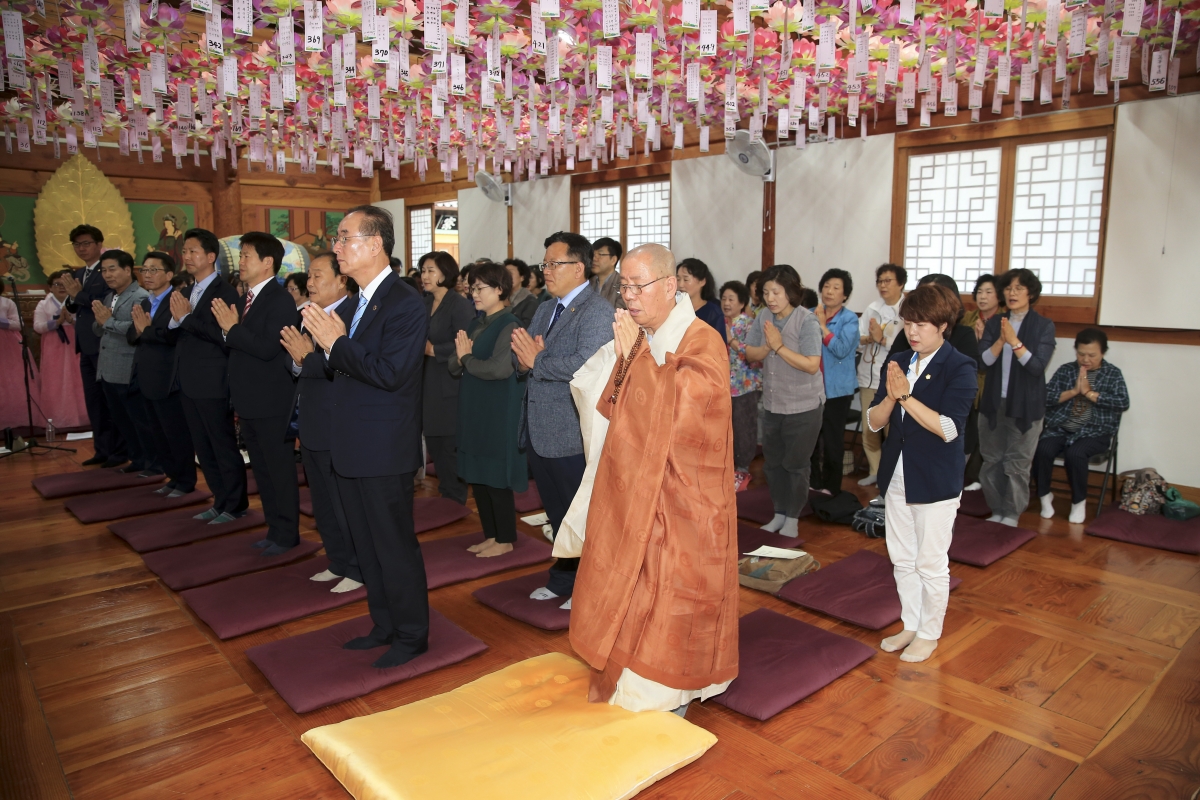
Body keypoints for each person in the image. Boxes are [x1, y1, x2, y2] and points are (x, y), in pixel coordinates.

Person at [570, 243, 738, 715]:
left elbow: (690, 409)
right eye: (623, 286)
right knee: (633, 586)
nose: (628, 296)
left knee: (671, 593)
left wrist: (635, 360)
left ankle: (667, 693)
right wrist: (630, 358)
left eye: (638, 286)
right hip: (638, 492)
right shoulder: (642, 334)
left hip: (685, 498)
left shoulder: (701, 339)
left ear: (669, 286)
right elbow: (612, 405)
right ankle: (629, 677)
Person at [301, 205, 430, 669]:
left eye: (344, 237)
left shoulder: (405, 302)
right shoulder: (355, 302)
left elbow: (391, 373)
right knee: (365, 544)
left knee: (393, 546)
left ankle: (412, 635)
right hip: (350, 443)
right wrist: (325, 351)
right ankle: (384, 624)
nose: (336, 246)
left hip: (383, 448)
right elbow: (342, 369)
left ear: (375, 244)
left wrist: (335, 344)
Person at [867, 283, 978, 664]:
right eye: (908, 323)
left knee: (930, 561)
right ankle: (910, 624)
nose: (912, 332)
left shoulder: (960, 365)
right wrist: (890, 397)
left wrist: (905, 397)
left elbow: (949, 428)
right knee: (902, 557)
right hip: (897, 473)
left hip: (935, 478)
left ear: (943, 325)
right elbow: (874, 421)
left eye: (922, 325)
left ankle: (929, 633)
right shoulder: (899, 359)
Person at [512, 231, 614, 605]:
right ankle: (564, 577)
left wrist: (537, 361)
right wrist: (527, 361)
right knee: (557, 513)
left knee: (581, 514)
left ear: (579, 268)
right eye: (545, 264)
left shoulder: (597, 311)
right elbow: (522, 356)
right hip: (541, 427)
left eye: (555, 264)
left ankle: (591, 587)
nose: (547, 271)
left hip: (572, 431)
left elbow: (588, 365)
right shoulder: (545, 308)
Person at [212, 232, 301, 553]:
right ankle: (274, 530)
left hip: (272, 402)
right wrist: (230, 332)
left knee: (279, 471)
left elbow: (266, 349)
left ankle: (287, 535)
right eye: (241, 255)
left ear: (267, 262)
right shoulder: (243, 299)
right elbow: (233, 344)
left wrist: (232, 330)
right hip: (248, 400)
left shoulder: (280, 300)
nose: (240, 261)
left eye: (246, 255)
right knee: (261, 471)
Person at [281, 252, 363, 592]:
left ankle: (357, 568)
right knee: (322, 501)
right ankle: (337, 560)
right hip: (311, 420)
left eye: (317, 275)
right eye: (309, 276)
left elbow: (342, 368)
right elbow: (296, 364)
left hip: (339, 421)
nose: (309, 283)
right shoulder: (309, 314)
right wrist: (299, 362)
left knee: (345, 502)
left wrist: (306, 360)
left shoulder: (354, 315)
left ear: (342, 280)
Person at [169, 228, 250, 525]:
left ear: (211, 256)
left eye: (193, 251)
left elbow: (221, 336)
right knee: (202, 448)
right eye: (185, 251)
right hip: (188, 379)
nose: (187, 256)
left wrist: (186, 319)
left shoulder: (224, 292)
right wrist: (177, 321)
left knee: (221, 445)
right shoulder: (187, 291)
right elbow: (177, 332)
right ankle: (219, 500)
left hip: (212, 380)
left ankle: (236, 505)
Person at [450, 262, 528, 558]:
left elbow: (498, 369)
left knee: (495, 476)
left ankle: (505, 538)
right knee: (478, 474)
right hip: (474, 408)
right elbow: (453, 363)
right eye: (471, 288)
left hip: (497, 410)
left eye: (480, 288)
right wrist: (463, 358)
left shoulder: (510, 324)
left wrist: (466, 359)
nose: (474, 294)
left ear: (499, 289)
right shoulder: (476, 323)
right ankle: (491, 535)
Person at [743, 265, 824, 539]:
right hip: (773, 403)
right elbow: (750, 353)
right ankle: (778, 513)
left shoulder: (807, 321)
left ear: (790, 291)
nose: (770, 298)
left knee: (796, 465)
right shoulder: (763, 316)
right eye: (766, 292)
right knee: (773, 464)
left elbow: (811, 365)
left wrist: (778, 347)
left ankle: (793, 518)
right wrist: (768, 346)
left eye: (776, 292)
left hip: (804, 406)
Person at [979, 268, 1056, 527]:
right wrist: (1001, 341)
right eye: (1008, 288)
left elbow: (1036, 367)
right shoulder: (995, 323)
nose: (1012, 293)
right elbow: (982, 362)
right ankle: (996, 508)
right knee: (992, 460)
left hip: (1026, 405)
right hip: (993, 403)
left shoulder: (1044, 326)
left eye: (1019, 288)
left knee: (1017, 463)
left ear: (1030, 293)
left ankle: (1012, 513)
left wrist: (1015, 342)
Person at [1036, 328, 1129, 524]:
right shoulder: (1066, 370)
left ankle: (1079, 502)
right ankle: (1044, 495)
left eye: (1092, 355)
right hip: (1061, 427)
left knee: (1076, 453)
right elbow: (1044, 398)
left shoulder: (1112, 374)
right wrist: (1074, 391)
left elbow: (1122, 402)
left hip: (1096, 432)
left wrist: (1089, 393)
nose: (1086, 359)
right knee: (1042, 448)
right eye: (1081, 354)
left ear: (1103, 352)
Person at [127, 253, 197, 498]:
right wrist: (143, 331)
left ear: (168, 275)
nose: (147, 275)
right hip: (146, 376)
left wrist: (146, 331)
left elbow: (172, 336)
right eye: (144, 270)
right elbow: (131, 335)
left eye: (153, 270)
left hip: (169, 379)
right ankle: (172, 477)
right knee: (157, 434)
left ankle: (186, 481)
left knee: (176, 434)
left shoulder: (176, 300)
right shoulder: (146, 302)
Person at [61, 224, 124, 466]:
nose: (81, 248)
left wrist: (78, 295)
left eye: (86, 243)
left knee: (110, 401)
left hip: (105, 343)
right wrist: (71, 298)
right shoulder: (78, 273)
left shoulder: (108, 270)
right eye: (77, 244)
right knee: (94, 401)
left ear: (99, 244)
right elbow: (75, 305)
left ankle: (119, 452)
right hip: (86, 345)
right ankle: (102, 450)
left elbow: (106, 302)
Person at [91, 250, 154, 475]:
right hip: (108, 369)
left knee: (139, 420)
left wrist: (108, 321)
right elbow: (99, 329)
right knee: (122, 420)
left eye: (112, 269)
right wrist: (101, 322)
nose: (107, 275)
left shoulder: (140, 296)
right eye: (103, 270)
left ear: (128, 270)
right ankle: (137, 460)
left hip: (127, 369)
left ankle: (152, 463)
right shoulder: (110, 296)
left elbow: (136, 329)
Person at [419, 250, 473, 505]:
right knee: (433, 440)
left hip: (450, 380)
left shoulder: (458, 304)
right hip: (426, 380)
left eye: (431, 270)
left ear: (446, 273)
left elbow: (467, 343)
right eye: (423, 271)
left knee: (448, 443)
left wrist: (433, 350)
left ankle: (456, 495)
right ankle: (446, 492)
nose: (425, 276)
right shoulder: (424, 303)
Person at [856, 263, 907, 487]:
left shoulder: (907, 310)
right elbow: (858, 339)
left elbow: (905, 346)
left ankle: (891, 475)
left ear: (901, 284)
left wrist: (881, 339)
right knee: (869, 428)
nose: (883, 285)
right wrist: (870, 338)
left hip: (894, 380)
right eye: (880, 281)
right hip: (869, 377)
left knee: (891, 431)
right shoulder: (873, 308)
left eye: (888, 281)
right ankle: (875, 471)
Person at [813, 269, 859, 495]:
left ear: (845, 295)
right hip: (811, 388)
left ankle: (831, 488)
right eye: (826, 286)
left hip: (837, 391)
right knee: (810, 440)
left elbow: (841, 349)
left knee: (832, 441)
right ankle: (813, 483)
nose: (829, 291)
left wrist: (823, 327)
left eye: (836, 288)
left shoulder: (849, 319)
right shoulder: (810, 314)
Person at [960, 274, 1002, 489]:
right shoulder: (968, 318)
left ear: (999, 296)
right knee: (968, 426)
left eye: (988, 292)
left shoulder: (1003, 321)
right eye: (979, 292)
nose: (982, 297)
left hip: (992, 381)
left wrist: (984, 340)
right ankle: (964, 472)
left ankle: (979, 476)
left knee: (986, 429)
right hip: (969, 379)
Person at [33, 270, 89, 429]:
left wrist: (71, 321)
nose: (61, 287)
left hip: (75, 342)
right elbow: (37, 327)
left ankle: (83, 416)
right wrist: (56, 323)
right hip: (53, 345)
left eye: (64, 284)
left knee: (78, 377)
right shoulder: (43, 304)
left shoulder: (77, 301)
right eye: (57, 284)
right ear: (50, 288)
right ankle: (57, 417)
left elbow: (87, 324)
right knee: (55, 380)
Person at [721, 280, 761, 493]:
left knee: (743, 426)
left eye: (731, 299)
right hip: (723, 384)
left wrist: (731, 340)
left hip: (744, 385)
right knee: (726, 426)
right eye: (724, 299)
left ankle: (743, 468)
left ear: (742, 302)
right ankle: (728, 466)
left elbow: (754, 354)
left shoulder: (748, 324)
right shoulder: (720, 322)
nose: (726, 303)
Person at [0, 284, 32, 431]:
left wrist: (2, 322)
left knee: (10, 379)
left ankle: (12, 418)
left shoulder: (7, 302)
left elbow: (19, 324)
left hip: (7, 345)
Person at [676, 257, 725, 342]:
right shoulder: (673, 308)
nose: (680, 284)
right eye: (678, 279)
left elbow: (719, 345)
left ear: (702, 282)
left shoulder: (713, 313)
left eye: (686, 279)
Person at [589, 237, 626, 309]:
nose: (594, 259)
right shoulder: (587, 283)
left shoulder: (623, 285)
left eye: (600, 254)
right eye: (593, 255)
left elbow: (618, 312)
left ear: (613, 260)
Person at [503, 258, 541, 327]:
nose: (506, 276)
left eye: (510, 273)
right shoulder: (501, 297)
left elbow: (526, 328)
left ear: (522, 277)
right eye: (504, 273)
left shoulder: (530, 302)